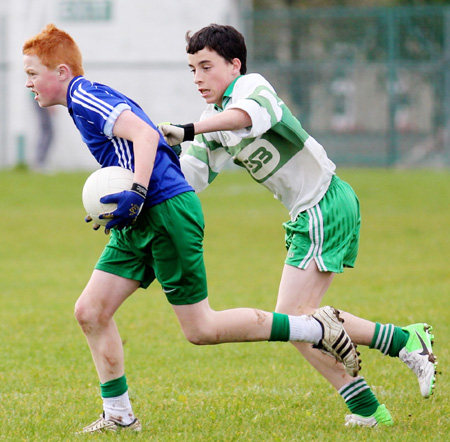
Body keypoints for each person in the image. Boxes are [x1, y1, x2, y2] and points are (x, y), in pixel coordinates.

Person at [22, 24, 360, 435]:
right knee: (90, 311)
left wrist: (139, 187)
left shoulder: (83, 92)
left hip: (163, 209)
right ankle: (120, 417)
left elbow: (144, 134)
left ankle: (314, 327)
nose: (28, 83)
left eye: (33, 74)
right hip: (145, 212)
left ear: (60, 72)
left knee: (200, 330)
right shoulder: (79, 104)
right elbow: (174, 156)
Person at [159, 23, 437, 428]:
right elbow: (189, 179)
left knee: (296, 320)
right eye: (192, 69)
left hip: (325, 202)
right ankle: (375, 393)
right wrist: (147, 168)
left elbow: (248, 117)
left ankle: (401, 347)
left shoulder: (252, 88)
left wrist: (187, 130)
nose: (198, 78)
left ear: (234, 65)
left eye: (206, 66)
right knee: (298, 324)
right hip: (307, 213)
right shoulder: (210, 121)